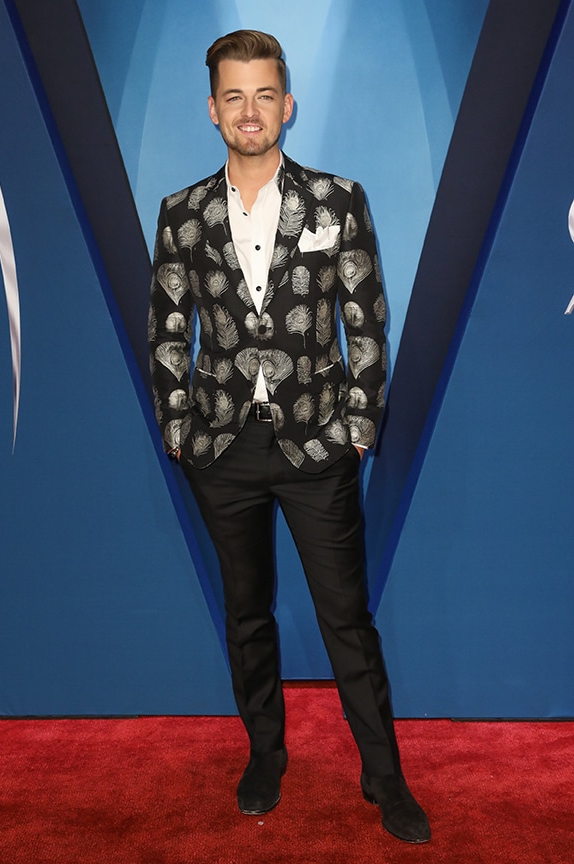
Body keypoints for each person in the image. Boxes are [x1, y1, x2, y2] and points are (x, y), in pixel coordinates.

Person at [148, 29, 430, 844]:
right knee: (247, 615)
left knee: (347, 619)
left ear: (288, 105)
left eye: (264, 95)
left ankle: (385, 777)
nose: (250, 111)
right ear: (212, 109)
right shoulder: (181, 214)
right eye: (234, 96)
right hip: (220, 449)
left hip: (317, 446)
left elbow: (366, 321)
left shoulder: (338, 201)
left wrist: (357, 430)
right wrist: (177, 427)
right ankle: (265, 757)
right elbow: (168, 328)